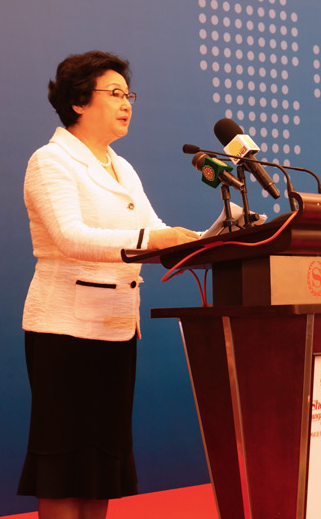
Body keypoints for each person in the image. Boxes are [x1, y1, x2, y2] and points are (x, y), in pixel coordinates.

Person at [18, 51, 199, 519]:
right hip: (65, 331)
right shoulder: (51, 161)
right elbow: (69, 236)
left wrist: (209, 239)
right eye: (114, 94)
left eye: (128, 94)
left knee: (101, 464)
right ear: (79, 101)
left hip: (116, 329)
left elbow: (154, 227)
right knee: (64, 463)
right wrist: (152, 238)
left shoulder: (121, 166)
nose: (127, 104)